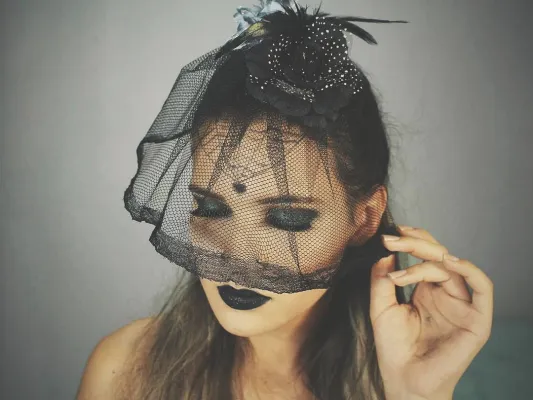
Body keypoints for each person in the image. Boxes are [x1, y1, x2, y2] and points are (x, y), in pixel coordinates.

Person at [76, 1, 494, 399]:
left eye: (287, 219)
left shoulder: (403, 378)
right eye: (211, 208)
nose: (236, 255)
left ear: (364, 219)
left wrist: (418, 395)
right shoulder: (124, 371)